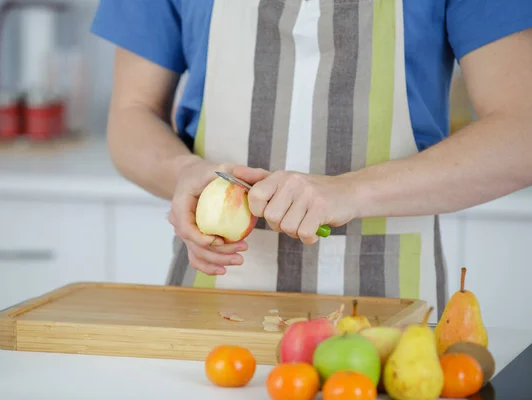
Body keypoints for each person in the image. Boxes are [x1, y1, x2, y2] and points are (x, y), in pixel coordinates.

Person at [91, 0, 532, 321]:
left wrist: (352, 192)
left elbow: (521, 132)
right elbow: (131, 112)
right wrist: (181, 172)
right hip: (212, 298)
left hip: (386, 306)